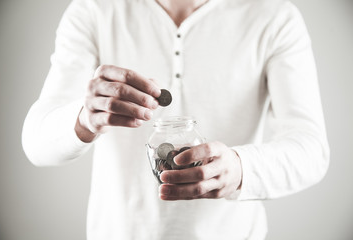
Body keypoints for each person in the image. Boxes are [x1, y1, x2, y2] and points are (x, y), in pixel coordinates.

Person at [22, 0, 330, 239]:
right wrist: (84, 117)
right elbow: (36, 143)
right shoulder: (95, 9)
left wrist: (239, 167)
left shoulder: (274, 16)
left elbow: (312, 149)